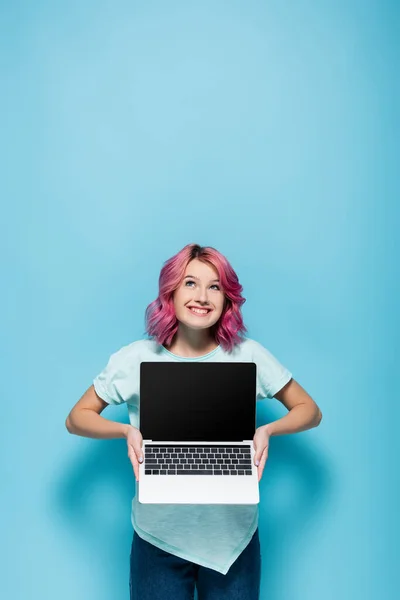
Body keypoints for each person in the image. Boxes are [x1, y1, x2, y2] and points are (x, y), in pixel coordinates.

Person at [66, 243, 322, 600]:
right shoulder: (135, 359)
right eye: (190, 283)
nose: (202, 296)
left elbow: (309, 410)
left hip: (234, 541)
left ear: (226, 297)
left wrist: (268, 429)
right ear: (170, 291)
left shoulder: (248, 355)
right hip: (158, 539)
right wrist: (126, 430)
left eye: (214, 286)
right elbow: (77, 418)